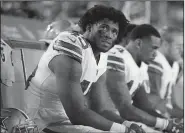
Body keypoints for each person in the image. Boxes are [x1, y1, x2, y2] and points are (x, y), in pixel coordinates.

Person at [23, 5, 145, 133]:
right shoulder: (71, 43)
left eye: (114, 31)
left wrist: (127, 124)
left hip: (65, 122)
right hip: (38, 123)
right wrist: (124, 130)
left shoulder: (101, 57)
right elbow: (77, 113)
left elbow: (100, 109)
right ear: (89, 27)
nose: (109, 35)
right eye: (104, 27)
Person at [106, 24, 183, 133]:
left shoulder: (140, 65)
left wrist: (170, 123)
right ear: (138, 43)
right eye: (153, 48)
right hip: (106, 119)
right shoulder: (117, 57)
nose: (156, 54)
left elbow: (144, 106)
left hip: (121, 120)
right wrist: (165, 124)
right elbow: (125, 108)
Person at [148, 26, 184, 118]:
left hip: (163, 114)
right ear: (165, 45)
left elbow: (172, 103)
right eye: (178, 46)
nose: (182, 50)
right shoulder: (155, 63)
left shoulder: (175, 65)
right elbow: (152, 102)